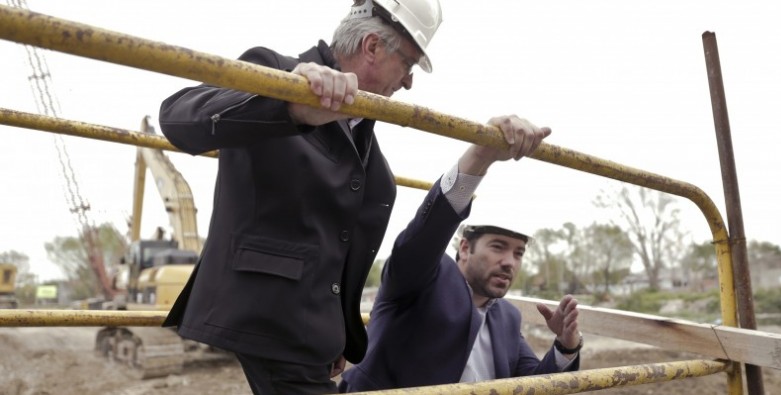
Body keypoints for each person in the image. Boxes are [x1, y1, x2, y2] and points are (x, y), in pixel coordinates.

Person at [156, 1, 550, 393]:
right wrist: (288, 101)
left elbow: (338, 247)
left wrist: (335, 331)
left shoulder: (370, 153)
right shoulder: (278, 71)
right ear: (373, 47)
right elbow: (178, 117)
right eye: (408, 65)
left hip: (309, 337)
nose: (409, 82)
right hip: (267, 319)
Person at [339, 118, 582, 392]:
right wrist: (481, 155)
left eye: (518, 253)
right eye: (498, 246)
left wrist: (565, 345)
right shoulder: (422, 277)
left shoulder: (507, 317)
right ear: (464, 248)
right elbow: (428, 232)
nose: (509, 262)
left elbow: (535, 383)